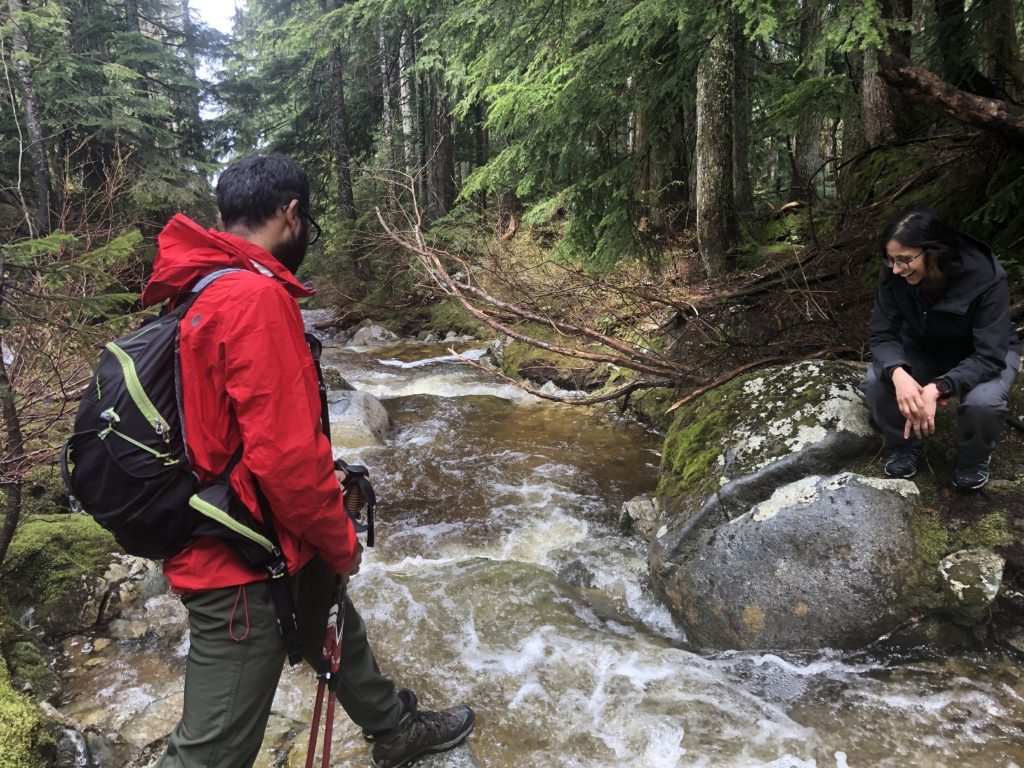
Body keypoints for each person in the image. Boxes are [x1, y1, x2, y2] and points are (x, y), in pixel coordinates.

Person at [146, 154, 474, 768]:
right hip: (238, 565)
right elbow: (285, 461)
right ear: (292, 214)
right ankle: (392, 726)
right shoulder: (254, 298)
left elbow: (233, 433)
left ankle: (393, 728)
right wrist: (339, 540)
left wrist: (328, 493)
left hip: (238, 527)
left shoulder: (198, 290)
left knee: (329, 609)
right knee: (212, 751)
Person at [861, 206, 1021, 491]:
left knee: (983, 403)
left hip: (984, 352)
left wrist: (939, 387)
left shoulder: (985, 275)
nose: (896, 269)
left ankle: (973, 459)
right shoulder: (895, 272)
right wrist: (898, 372)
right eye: (890, 260)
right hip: (925, 345)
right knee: (877, 381)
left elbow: (989, 354)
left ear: (934, 251)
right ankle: (906, 444)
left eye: (904, 260)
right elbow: (883, 334)